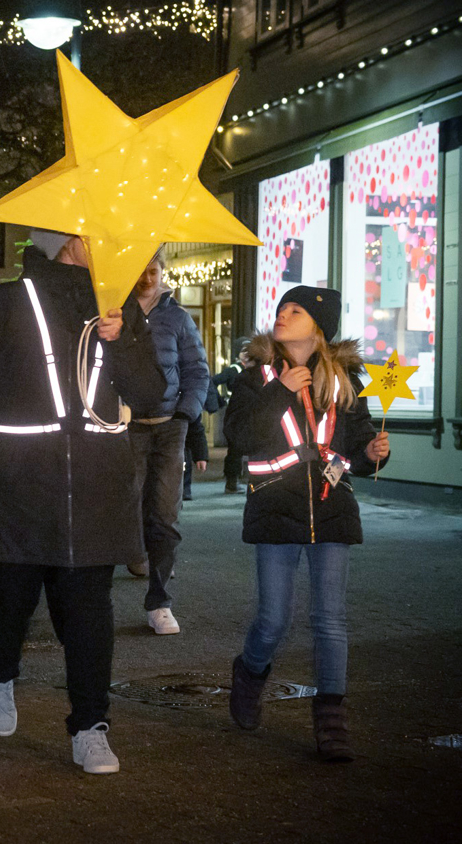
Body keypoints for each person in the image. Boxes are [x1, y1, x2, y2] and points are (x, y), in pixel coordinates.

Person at [0, 231, 165, 775]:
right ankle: (0, 674)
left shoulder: (120, 305)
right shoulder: (7, 299)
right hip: (18, 479)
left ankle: (90, 726)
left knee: (89, 610)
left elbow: (153, 394)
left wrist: (124, 337)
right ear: (69, 239)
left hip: (96, 483)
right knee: (11, 599)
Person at [223, 286, 387, 763]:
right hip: (275, 509)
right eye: (281, 308)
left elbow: (356, 441)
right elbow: (240, 438)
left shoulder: (343, 378)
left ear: (318, 328)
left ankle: (332, 717)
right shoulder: (256, 378)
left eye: (295, 311)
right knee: (273, 620)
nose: (282, 315)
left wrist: (375, 452)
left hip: (332, 510)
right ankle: (250, 675)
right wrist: (280, 390)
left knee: (329, 620)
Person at [122, 252, 209, 636]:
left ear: (162, 273)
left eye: (153, 270)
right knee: (126, 505)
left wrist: (185, 415)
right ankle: (136, 556)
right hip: (126, 427)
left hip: (170, 426)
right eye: (141, 269)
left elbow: (197, 370)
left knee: (165, 512)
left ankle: (159, 600)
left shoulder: (177, 318)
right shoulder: (115, 313)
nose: (146, 277)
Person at [213, 338, 253, 493]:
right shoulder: (234, 370)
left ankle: (237, 480)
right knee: (235, 449)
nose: (248, 354)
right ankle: (232, 482)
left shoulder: (253, 369)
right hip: (237, 413)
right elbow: (213, 381)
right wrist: (220, 402)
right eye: (244, 350)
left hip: (247, 412)